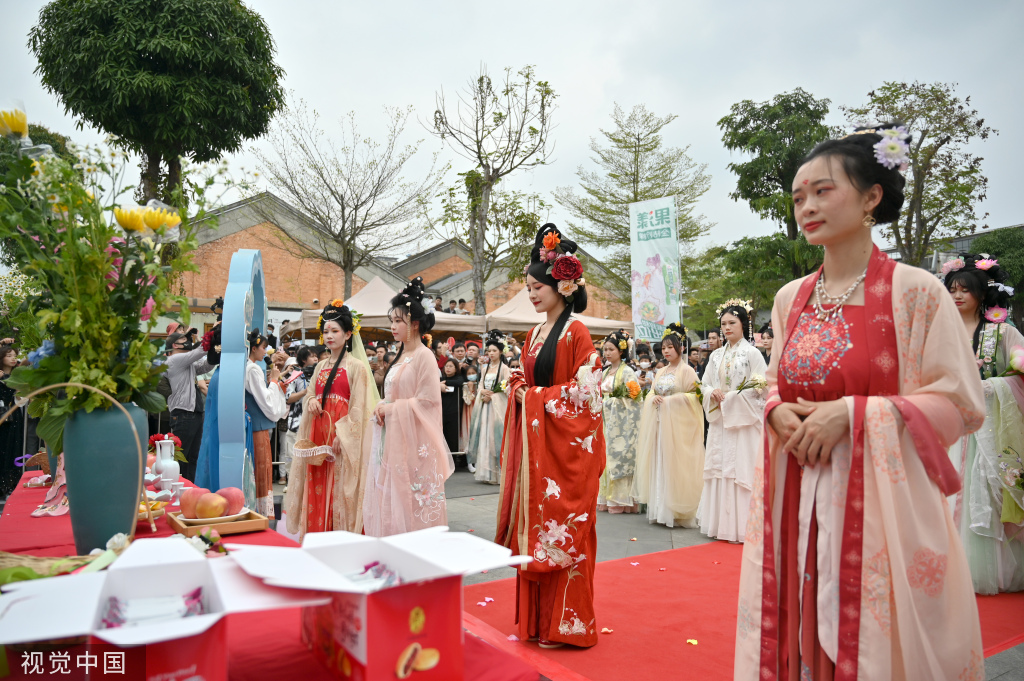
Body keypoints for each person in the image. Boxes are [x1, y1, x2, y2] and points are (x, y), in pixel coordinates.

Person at [735, 124, 986, 679]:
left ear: (872, 196)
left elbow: (962, 404)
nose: (807, 207)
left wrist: (854, 413)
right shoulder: (789, 298)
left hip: (879, 508)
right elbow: (776, 381)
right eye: (799, 197)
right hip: (796, 492)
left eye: (823, 191)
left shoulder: (915, 291)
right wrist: (775, 407)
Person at [496, 223, 605, 649]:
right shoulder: (534, 333)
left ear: (561, 285)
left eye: (537, 286)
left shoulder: (576, 333)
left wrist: (533, 396)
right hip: (538, 451)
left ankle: (567, 626)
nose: (532, 294)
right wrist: (518, 388)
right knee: (537, 530)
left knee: (564, 531)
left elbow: (587, 392)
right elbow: (521, 379)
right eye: (527, 288)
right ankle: (538, 625)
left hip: (564, 451)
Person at [944, 253, 1024, 593]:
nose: (957, 295)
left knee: (989, 490)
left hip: (992, 427)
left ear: (983, 292)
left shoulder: (1001, 330)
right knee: (947, 493)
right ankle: (948, 566)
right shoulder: (939, 333)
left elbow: (1020, 365)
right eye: (952, 289)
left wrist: (993, 386)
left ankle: (997, 569)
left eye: (965, 288)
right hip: (949, 427)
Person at [364, 277, 455, 536]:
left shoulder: (424, 356)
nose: (392, 326)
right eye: (391, 320)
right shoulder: (401, 355)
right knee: (393, 495)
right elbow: (394, 393)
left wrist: (392, 409)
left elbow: (428, 401)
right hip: (394, 438)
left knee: (413, 499)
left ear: (414, 324)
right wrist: (382, 405)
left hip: (415, 443)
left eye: (398, 321)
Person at [284, 301, 378, 539]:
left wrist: (343, 434)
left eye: (335, 331)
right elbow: (310, 393)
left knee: (340, 482)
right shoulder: (320, 366)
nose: (329, 336)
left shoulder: (357, 367)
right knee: (317, 479)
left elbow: (359, 406)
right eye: (326, 331)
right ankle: (318, 535)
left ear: (348, 334)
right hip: (318, 431)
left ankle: (340, 538)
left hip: (341, 434)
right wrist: (311, 400)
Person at [698, 302, 767, 543]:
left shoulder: (752, 353)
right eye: (723, 324)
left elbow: (762, 385)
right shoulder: (716, 355)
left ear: (744, 324)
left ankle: (744, 525)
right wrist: (712, 392)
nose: (726, 328)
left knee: (741, 466)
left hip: (743, 422)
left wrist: (734, 396)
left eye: (732, 323)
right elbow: (704, 383)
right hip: (720, 420)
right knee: (719, 466)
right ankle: (720, 524)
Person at [631, 324, 705, 527]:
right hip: (660, 425)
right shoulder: (661, 371)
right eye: (663, 348)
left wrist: (671, 401)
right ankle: (660, 509)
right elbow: (652, 393)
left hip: (678, 428)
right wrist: (652, 399)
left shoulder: (688, 371)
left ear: (680, 348)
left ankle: (677, 510)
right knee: (661, 463)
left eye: (670, 347)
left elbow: (695, 397)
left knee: (676, 465)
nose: (666, 351)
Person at [245, 328, 289, 517]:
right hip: (258, 427)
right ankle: (261, 513)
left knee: (259, 468)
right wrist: (273, 381)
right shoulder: (252, 368)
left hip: (255, 425)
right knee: (261, 469)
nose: (265, 352)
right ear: (253, 348)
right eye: (263, 348)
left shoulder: (248, 366)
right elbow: (267, 403)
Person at [598, 331, 642, 514]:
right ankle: (606, 497)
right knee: (605, 456)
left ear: (621, 351)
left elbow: (635, 398)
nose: (607, 353)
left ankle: (622, 499)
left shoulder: (628, 371)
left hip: (621, 424)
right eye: (605, 349)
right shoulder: (606, 371)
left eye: (611, 349)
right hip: (606, 422)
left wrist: (610, 402)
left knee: (619, 456)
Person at [164, 328, 213, 483]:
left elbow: (205, 366)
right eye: (184, 340)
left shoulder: (187, 363)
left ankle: (189, 490)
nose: (188, 342)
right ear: (175, 346)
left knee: (193, 458)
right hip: (183, 414)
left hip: (194, 412)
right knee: (181, 458)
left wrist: (214, 355)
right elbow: (199, 351)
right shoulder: (174, 360)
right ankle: (177, 491)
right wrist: (213, 334)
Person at [466, 330, 511, 484]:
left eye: (494, 350)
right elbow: (479, 386)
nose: (491, 353)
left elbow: (507, 388)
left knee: (495, 437)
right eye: (489, 351)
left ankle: (498, 473)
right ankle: (485, 472)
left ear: (500, 352)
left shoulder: (505, 368)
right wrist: (482, 393)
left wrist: (493, 395)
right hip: (485, 407)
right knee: (485, 436)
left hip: (496, 408)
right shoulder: (485, 369)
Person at [281, 346, 319, 484]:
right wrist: (305, 392)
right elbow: (288, 397)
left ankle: (309, 485)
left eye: (316, 356)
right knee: (293, 454)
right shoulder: (294, 375)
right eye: (312, 356)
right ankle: (292, 484)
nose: (316, 358)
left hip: (315, 420)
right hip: (296, 422)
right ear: (303, 359)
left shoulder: (320, 374)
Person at [0, 345, 24, 499]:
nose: (13, 358)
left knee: (14, 448)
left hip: (14, 417)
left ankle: (10, 485)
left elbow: (22, 399)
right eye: (9, 355)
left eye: (15, 355)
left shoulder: (18, 377)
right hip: (3, 417)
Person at [440, 358, 466, 454]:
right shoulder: (440, 379)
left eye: (451, 366)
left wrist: (443, 384)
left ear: (456, 368)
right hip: (442, 411)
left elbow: (459, 382)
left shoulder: (458, 378)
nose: (448, 368)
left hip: (454, 412)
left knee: (452, 436)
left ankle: (454, 459)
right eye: (446, 366)